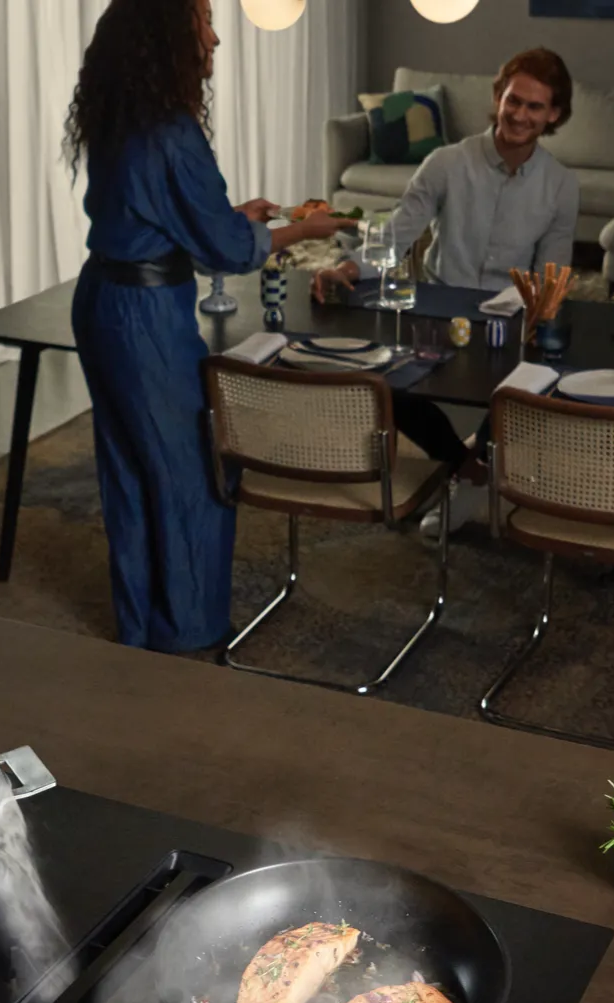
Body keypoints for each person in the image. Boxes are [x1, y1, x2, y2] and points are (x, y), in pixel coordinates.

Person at [67, 0, 352, 654]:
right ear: (171, 35)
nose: (216, 36)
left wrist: (229, 215)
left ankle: (140, 623)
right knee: (191, 470)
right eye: (204, 21)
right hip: (144, 319)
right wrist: (303, 230)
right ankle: (190, 633)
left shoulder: (119, 114)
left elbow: (159, 212)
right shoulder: (171, 129)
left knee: (129, 467)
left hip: (101, 298)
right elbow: (226, 250)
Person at [311, 48, 581, 529]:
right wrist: (347, 270)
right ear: (498, 97)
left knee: (527, 394)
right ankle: (470, 470)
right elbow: (394, 239)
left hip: (508, 325)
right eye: (513, 101)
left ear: (554, 114)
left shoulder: (561, 185)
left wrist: (539, 317)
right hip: (434, 317)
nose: (520, 115)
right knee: (384, 385)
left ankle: (475, 468)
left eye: (535, 107)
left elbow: (551, 276)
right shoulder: (445, 163)